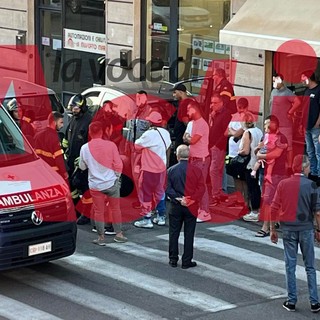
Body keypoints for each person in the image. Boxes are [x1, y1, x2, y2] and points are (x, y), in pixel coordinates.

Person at [270, 154, 320, 313]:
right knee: (310, 266)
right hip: (306, 228)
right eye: (308, 167)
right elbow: (317, 212)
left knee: (290, 265)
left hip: (288, 229)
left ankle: (291, 300)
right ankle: (314, 302)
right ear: (304, 168)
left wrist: (272, 229)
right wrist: (319, 229)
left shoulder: (283, 184)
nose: (309, 169)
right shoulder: (312, 185)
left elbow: (273, 208)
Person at [79, 121, 127, 245]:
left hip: (95, 184)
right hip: (111, 182)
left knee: (98, 211)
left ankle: (101, 237)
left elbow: (82, 167)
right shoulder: (111, 145)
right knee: (115, 209)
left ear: (90, 132)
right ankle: (119, 234)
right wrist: (116, 177)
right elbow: (118, 164)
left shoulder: (85, 148)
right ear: (102, 132)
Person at [166, 145, 205, 269]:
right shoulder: (197, 170)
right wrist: (191, 199)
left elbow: (167, 188)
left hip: (176, 205)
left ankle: (173, 258)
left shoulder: (171, 170)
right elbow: (201, 188)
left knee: (174, 232)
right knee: (189, 233)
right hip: (191, 206)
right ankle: (187, 260)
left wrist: (178, 198)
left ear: (177, 156)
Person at [250, 115, 288, 237]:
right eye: (266, 124)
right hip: (264, 171)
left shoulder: (281, 138)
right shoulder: (265, 136)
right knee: (267, 199)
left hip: (276, 173)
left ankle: (266, 227)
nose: (267, 127)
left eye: (269, 124)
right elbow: (257, 152)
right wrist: (258, 151)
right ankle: (274, 221)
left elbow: (276, 154)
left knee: (268, 200)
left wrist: (260, 155)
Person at [133, 111, 171, 228]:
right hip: (161, 169)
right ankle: (161, 216)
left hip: (148, 169)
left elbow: (136, 145)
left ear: (150, 122)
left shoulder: (149, 134)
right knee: (160, 192)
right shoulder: (165, 133)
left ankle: (147, 219)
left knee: (146, 194)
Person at [62, 94, 93, 225]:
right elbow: (67, 138)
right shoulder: (73, 120)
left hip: (83, 162)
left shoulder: (88, 121)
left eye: (76, 108)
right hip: (71, 159)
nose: (73, 110)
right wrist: (64, 149)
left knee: (85, 188)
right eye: (72, 108)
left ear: (82, 107)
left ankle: (86, 214)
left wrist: (84, 159)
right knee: (71, 185)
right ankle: (77, 209)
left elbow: (91, 143)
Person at [183, 101, 211, 222]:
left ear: (195, 110)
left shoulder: (202, 124)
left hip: (201, 159)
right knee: (194, 185)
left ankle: (205, 211)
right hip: (193, 158)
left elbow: (192, 140)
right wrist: (188, 138)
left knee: (201, 185)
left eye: (189, 109)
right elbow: (185, 137)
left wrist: (188, 138)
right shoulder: (191, 123)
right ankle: (197, 208)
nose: (187, 112)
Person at [238, 112, 263, 223]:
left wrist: (239, 151)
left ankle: (254, 211)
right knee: (257, 187)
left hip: (250, 163)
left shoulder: (247, 133)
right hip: (259, 162)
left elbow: (246, 151)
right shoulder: (259, 131)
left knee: (252, 188)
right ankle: (257, 210)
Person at [208, 92, 232, 206]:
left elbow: (225, 133)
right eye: (212, 103)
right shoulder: (214, 114)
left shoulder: (226, 114)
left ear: (221, 103)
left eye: (215, 103)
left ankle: (216, 195)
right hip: (212, 145)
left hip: (218, 147)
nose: (213, 105)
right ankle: (218, 193)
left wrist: (216, 145)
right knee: (217, 170)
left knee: (214, 170)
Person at [269, 74, 295, 170]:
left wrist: (290, 112)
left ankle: (289, 167)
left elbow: (298, 102)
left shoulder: (288, 93)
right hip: (274, 124)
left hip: (285, 125)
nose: (273, 83)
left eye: (274, 81)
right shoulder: (273, 91)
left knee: (288, 147)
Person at [226, 97, 248, 206]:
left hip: (241, 153)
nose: (240, 110)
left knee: (243, 178)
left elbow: (239, 132)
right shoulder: (234, 117)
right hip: (232, 152)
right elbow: (227, 131)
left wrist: (233, 132)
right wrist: (234, 132)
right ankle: (238, 198)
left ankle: (244, 199)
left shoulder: (247, 118)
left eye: (242, 108)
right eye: (239, 108)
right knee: (234, 176)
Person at [34, 111, 68, 182]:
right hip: (54, 173)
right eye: (61, 122)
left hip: (41, 172)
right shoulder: (54, 137)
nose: (62, 125)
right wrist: (64, 172)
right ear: (54, 122)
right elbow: (59, 158)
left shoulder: (38, 135)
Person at [171, 83, 194, 150]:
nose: (173, 95)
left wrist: (188, 134)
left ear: (181, 92)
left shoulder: (185, 103)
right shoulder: (186, 102)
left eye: (175, 92)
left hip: (183, 137)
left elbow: (186, 121)